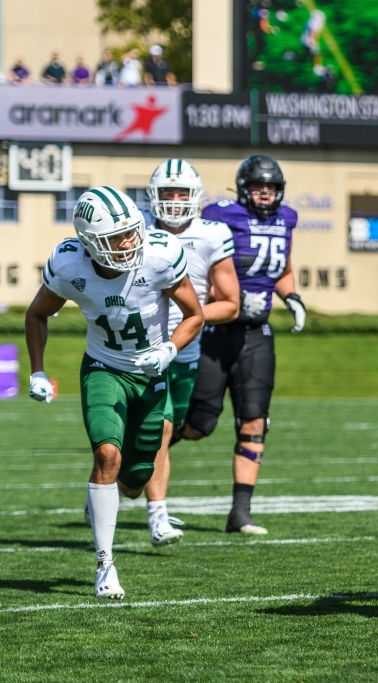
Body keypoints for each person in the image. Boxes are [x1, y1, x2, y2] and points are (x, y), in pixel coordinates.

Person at [24, 186, 203, 599]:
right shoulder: (70, 265)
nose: (129, 242)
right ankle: (105, 565)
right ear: (90, 242)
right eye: (117, 237)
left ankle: (100, 496)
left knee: (135, 480)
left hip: (150, 372)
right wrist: (38, 371)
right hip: (104, 369)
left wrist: (169, 349)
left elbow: (195, 313)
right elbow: (37, 314)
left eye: (131, 232)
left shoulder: (160, 254)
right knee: (107, 454)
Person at [181, 155, 306, 535]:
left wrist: (293, 297)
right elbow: (203, 261)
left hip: (256, 334)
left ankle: (240, 513)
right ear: (243, 188)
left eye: (270, 187)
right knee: (199, 424)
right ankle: (140, 474)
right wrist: (222, 295)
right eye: (257, 187)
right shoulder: (222, 215)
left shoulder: (287, 219)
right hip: (217, 331)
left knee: (254, 421)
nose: (264, 193)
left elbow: (281, 267)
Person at [142, 159, 240, 545]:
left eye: (183, 192)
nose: (176, 200)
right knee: (161, 430)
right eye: (168, 192)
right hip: (145, 348)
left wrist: (191, 317)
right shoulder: (138, 233)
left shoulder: (212, 234)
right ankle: (158, 515)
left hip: (186, 351)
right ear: (154, 196)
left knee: (173, 427)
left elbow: (231, 303)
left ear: (196, 196)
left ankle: (112, 482)